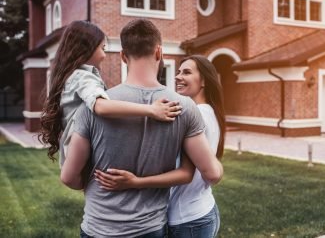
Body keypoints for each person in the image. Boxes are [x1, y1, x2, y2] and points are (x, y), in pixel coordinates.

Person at [60, 19, 223, 237]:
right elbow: (207, 172)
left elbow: (69, 177)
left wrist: (97, 187)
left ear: (123, 56)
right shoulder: (183, 107)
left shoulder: (90, 108)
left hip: (99, 228)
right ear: (159, 52)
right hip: (150, 228)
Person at [95, 55, 225, 238]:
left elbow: (205, 173)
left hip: (187, 220)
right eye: (178, 72)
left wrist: (135, 182)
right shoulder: (208, 111)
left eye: (186, 72)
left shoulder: (197, 115)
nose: (178, 76)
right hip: (202, 210)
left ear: (203, 80)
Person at [39, 20, 181, 167]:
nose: (104, 55)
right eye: (103, 48)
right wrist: (151, 110)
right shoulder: (81, 77)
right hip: (82, 155)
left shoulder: (73, 76)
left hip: (74, 155)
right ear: (86, 50)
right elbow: (100, 106)